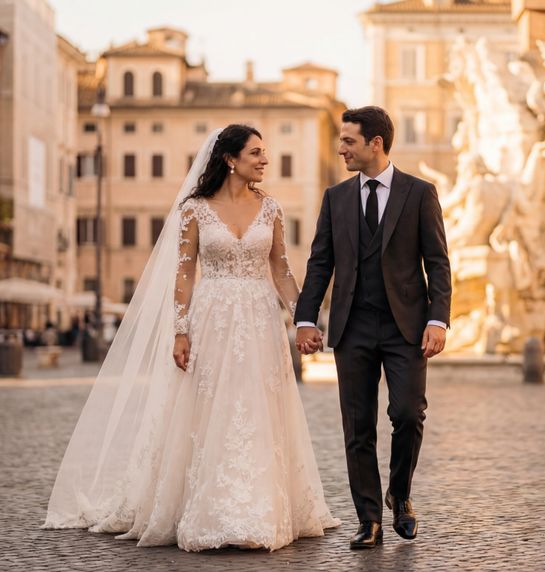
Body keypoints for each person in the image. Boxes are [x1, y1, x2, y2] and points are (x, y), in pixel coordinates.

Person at [43, 125, 339, 551]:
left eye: (264, 153)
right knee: (209, 406)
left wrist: (303, 319)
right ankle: (206, 504)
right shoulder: (195, 210)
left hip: (259, 320)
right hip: (211, 318)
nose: (264, 160)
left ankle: (260, 506)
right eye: (255, 152)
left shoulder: (271, 209)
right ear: (230, 160)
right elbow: (184, 274)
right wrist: (180, 330)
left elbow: (281, 269)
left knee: (257, 405)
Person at [295, 106, 453, 549]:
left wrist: (437, 319)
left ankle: (399, 495)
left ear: (375, 143)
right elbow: (320, 262)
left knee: (408, 414)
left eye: (348, 141)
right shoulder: (336, 198)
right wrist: (306, 318)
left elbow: (438, 263)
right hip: (353, 327)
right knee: (357, 426)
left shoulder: (419, 193)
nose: (341, 149)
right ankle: (369, 520)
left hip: (407, 327)